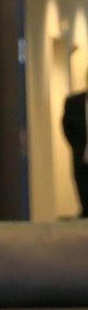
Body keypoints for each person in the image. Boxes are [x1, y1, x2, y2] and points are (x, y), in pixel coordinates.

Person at [62, 89, 87, 217]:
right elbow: (67, 127)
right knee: (83, 184)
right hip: (82, 154)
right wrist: (77, 147)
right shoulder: (74, 102)